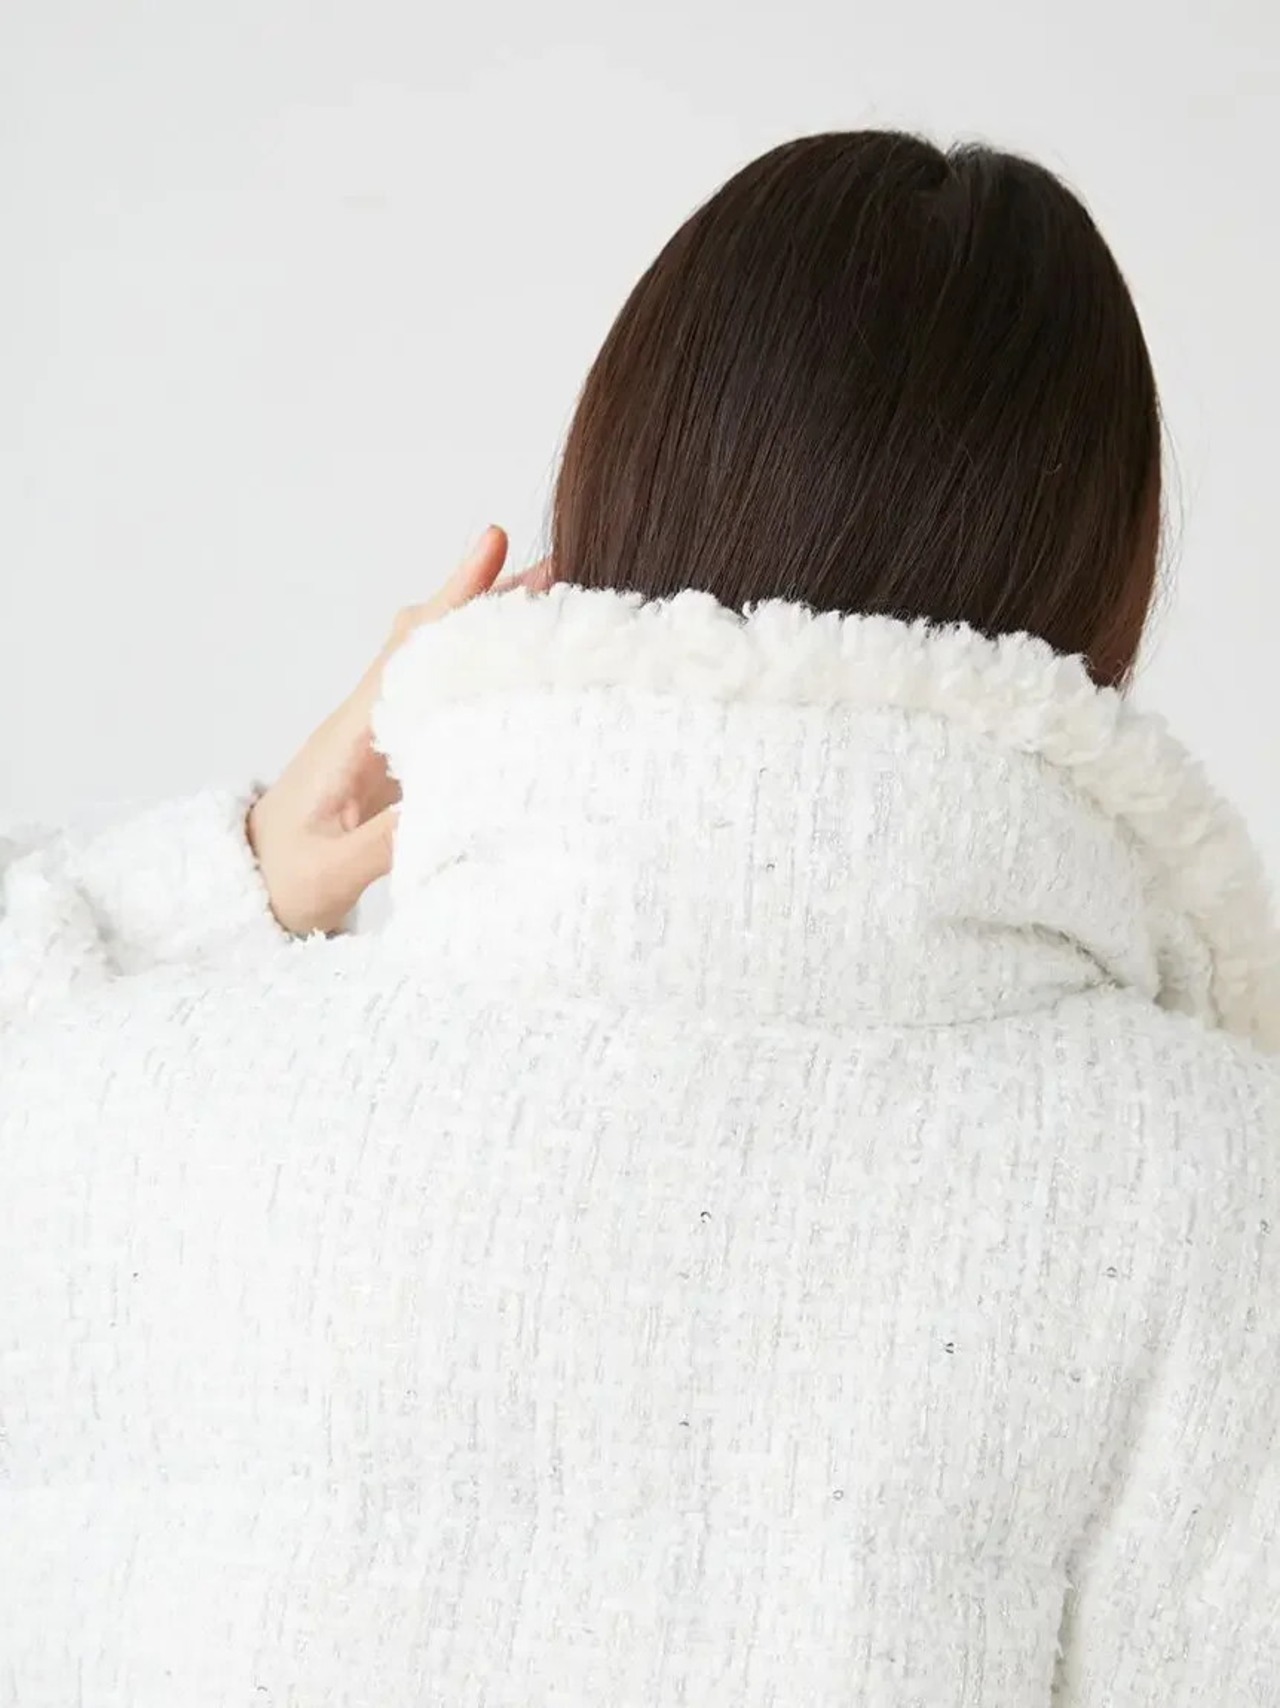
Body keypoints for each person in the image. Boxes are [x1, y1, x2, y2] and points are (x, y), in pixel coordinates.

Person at [2, 130, 1277, 1707]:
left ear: (614, 489)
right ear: (1104, 580)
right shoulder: (1217, 1199)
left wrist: (226, 880)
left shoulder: (109, 1111)